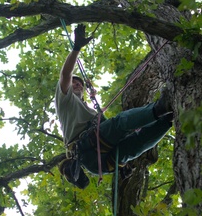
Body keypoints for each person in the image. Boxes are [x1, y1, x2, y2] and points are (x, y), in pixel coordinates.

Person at [56, 24, 173, 189]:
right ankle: (161, 108)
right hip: (90, 150)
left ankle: (168, 120)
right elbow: (65, 74)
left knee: (136, 144)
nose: (77, 85)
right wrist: (76, 48)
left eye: (79, 84)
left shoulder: (88, 110)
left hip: (97, 162)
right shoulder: (64, 101)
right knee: (120, 123)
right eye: (74, 83)